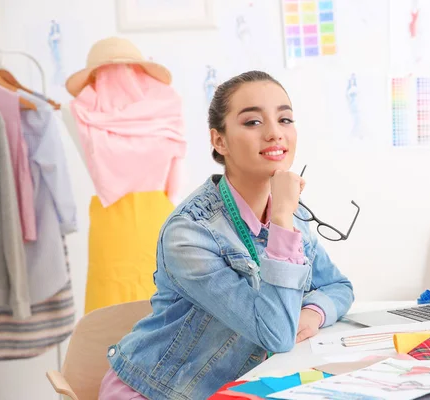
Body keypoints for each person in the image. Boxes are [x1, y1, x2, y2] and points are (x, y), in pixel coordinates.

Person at [99, 70, 355, 399]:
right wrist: (280, 219)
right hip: (158, 392)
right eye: (253, 122)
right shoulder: (189, 232)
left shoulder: (290, 214)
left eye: (285, 119)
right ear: (220, 141)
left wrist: (312, 312)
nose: (275, 134)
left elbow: (338, 287)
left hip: (238, 389)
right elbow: (276, 334)